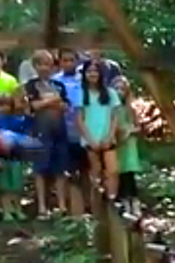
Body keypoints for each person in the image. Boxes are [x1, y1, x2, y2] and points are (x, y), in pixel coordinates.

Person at [24, 49, 70, 218]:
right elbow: (33, 106)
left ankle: (62, 206)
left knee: (60, 169)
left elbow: (65, 106)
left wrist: (46, 102)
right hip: (40, 131)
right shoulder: (30, 86)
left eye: (48, 64)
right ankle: (42, 207)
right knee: (40, 169)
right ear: (35, 66)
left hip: (59, 130)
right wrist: (53, 100)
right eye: (40, 64)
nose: (44, 68)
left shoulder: (59, 85)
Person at [77, 58, 120, 200]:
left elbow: (115, 117)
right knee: (95, 171)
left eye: (95, 71)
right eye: (89, 71)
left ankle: (112, 198)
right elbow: (79, 119)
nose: (92, 74)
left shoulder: (110, 93)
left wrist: (110, 136)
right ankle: (97, 201)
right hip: (90, 139)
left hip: (107, 137)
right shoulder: (81, 93)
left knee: (112, 170)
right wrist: (90, 139)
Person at [52, 49, 88, 189]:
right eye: (65, 60)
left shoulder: (84, 79)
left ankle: (89, 199)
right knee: (66, 170)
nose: (68, 64)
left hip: (84, 130)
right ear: (59, 62)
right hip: (62, 130)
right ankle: (69, 200)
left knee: (86, 169)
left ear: (77, 62)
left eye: (71, 60)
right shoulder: (54, 80)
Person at [0, 94, 28, 221]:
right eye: (1, 105)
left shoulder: (17, 122)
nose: (4, 108)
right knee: (4, 186)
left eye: (7, 105)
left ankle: (18, 209)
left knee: (17, 185)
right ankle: (7, 210)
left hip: (16, 157)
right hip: (1, 157)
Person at [112, 76, 142, 215]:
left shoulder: (130, 109)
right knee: (119, 174)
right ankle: (124, 203)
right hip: (117, 145)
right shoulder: (111, 109)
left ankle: (134, 203)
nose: (120, 92)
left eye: (122, 89)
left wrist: (130, 131)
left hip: (129, 145)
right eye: (117, 89)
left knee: (129, 174)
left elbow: (138, 127)